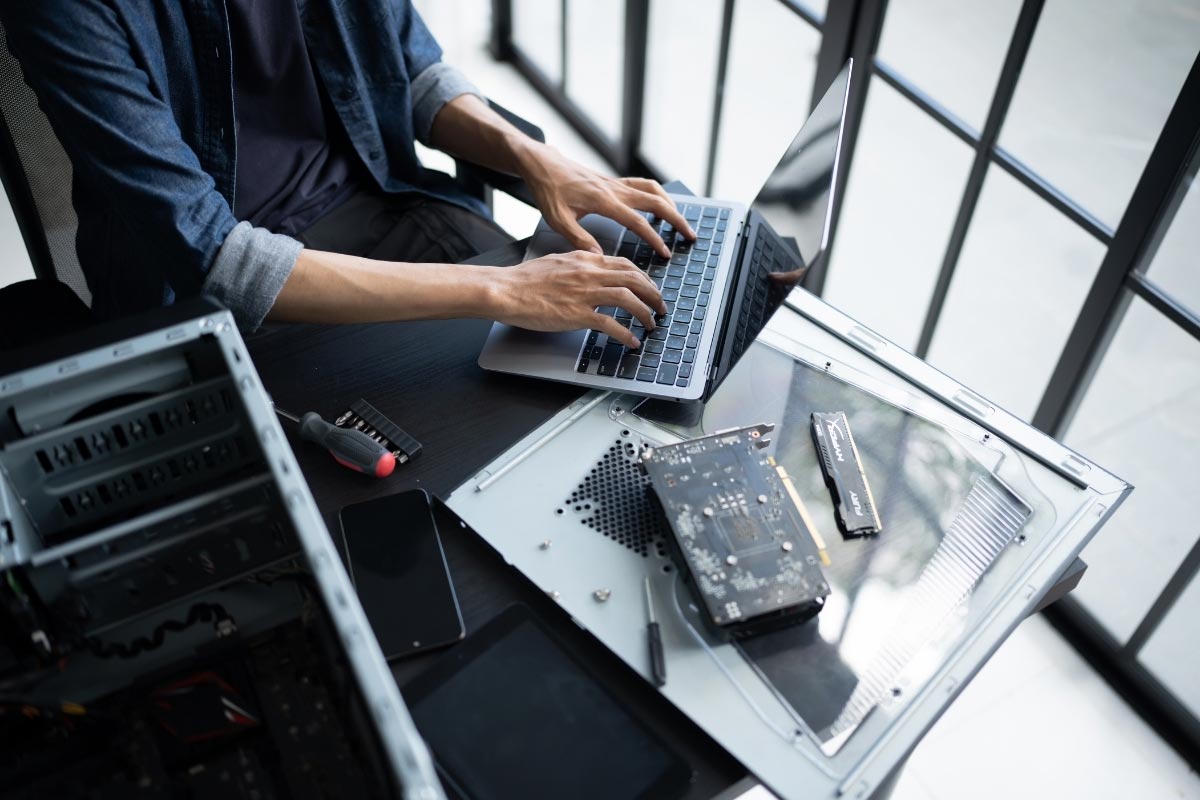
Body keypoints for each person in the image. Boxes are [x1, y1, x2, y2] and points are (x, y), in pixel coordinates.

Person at [1, 1, 696, 350]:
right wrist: (501, 288)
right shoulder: (60, 10)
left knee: (619, 338)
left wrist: (535, 159)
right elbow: (218, 259)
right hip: (222, 315)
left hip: (383, 202)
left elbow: (411, 70)